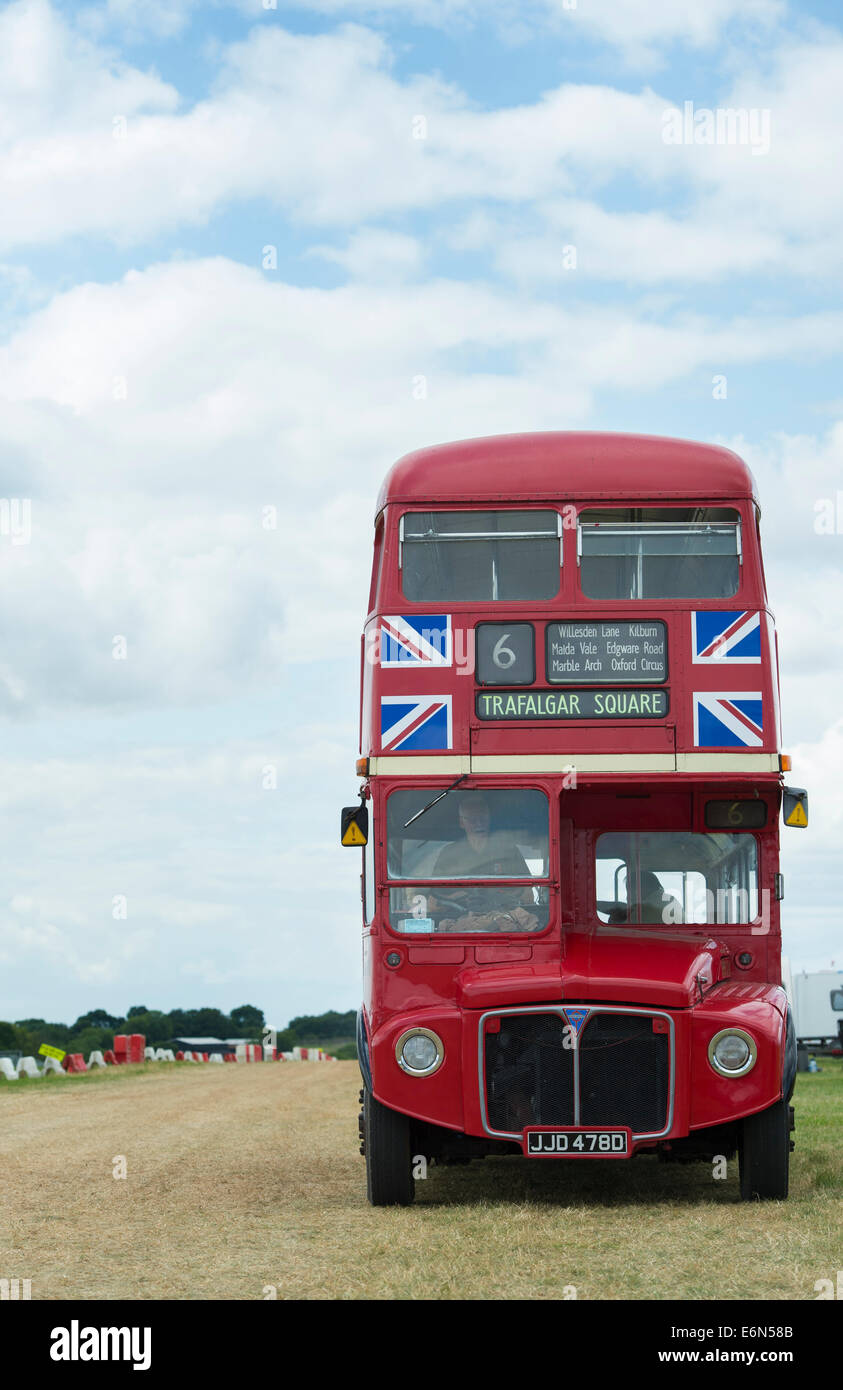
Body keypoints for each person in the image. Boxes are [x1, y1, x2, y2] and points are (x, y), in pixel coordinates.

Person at [428, 792, 535, 917]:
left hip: (504, 920)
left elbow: (529, 895)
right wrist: (458, 898)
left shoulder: (509, 851)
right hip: (459, 921)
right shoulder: (449, 853)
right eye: (473, 820)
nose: (479, 823)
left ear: (489, 818)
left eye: (483, 818)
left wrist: (503, 898)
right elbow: (433, 901)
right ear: (462, 822)